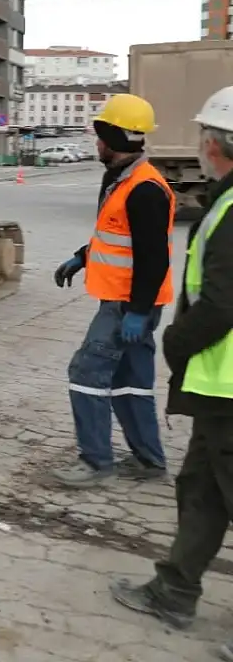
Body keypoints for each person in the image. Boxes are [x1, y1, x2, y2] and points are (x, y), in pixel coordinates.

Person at [109, 87, 233, 651]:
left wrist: (174, 342)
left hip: (226, 383)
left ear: (215, 144)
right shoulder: (223, 201)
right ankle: (175, 591)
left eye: (206, 137)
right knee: (201, 491)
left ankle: (175, 590)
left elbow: (223, 301)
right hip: (217, 389)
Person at [52, 93, 173, 488]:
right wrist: (82, 257)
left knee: (87, 373)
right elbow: (117, 237)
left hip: (128, 306)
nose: (96, 142)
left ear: (115, 138)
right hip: (128, 302)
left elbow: (153, 257)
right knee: (130, 381)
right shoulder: (122, 179)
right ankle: (151, 461)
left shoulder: (145, 190)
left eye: (100, 135)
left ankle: (96, 463)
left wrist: (138, 311)